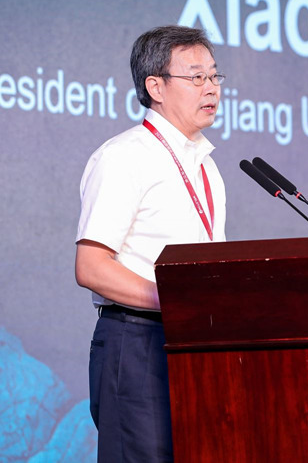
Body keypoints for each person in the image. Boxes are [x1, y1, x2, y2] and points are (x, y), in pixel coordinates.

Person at [74, 25, 226, 462]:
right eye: (195, 77)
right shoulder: (124, 156)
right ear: (155, 87)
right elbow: (92, 267)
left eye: (214, 76)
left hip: (193, 343)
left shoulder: (207, 168)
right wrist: (177, 303)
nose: (211, 88)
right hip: (138, 340)